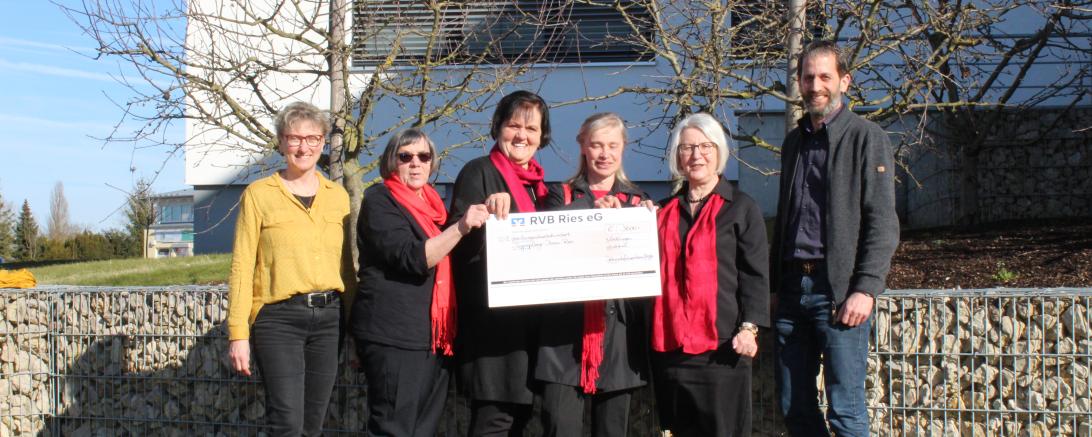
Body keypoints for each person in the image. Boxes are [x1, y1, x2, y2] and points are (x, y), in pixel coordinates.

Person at [772, 40, 899, 437]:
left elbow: (882, 221)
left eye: (825, 76)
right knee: (795, 408)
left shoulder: (866, 137)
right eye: (808, 77)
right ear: (798, 82)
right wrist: (777, 286)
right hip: (792, 290)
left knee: (845, 411)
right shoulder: (794, 141)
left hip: (838, 291)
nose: (815, 85)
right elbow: (787, 217)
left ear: (844, 81)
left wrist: (866, 287)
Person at [226, 101, 355, 436]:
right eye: (295, 138)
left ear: (324, 142)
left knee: (313, 424)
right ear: (281, 143)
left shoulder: (337, 196)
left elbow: (346, 268)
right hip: (279, 320)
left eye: (313, 138)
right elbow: (242, 266)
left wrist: (354, 325)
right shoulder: (258, 195)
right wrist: (238, 333)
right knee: (286, 422)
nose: (304, 147)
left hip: (330, 321)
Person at [350, 129, 490, 436]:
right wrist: (461, 227)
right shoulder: (380, 201)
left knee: (423, 429)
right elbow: (414, 258)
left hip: (433, 337)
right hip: (394, 336)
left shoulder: (434, 206)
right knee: (394, 429)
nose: (416, 163)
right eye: (406, 156)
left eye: (424, 156)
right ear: (391, 162)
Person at [534, 112, 654, 437]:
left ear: (623, 148)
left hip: (619, 340)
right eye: (596, 145)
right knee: (560, 428)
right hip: (563, 338)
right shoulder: (560, 194)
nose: (604, 154)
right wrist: (592, 214)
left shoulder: (639, 202)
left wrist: (644, 223)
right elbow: (551, 236)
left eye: (612, 146)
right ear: (583, 147)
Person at [651, 112, 769, 437]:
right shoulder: (661, 211)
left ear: (718, 152)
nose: (696, 155)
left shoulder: (742, 208)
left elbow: (755, 274)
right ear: (678, 156)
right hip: (672, 351)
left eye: (705, 146)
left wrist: (750, 328)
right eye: (687, 148)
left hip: (722, 350)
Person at [447, 90, 551, 436]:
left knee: (519, 423)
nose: (522, 135)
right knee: (494, 423)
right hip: (493, 333)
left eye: (531, 128)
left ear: (542, 136)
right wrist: (486, 213)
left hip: (531, 331)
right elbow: (459, 250)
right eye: (513, 125)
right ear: (498, 128)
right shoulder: (478, 172)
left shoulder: (542, 188)